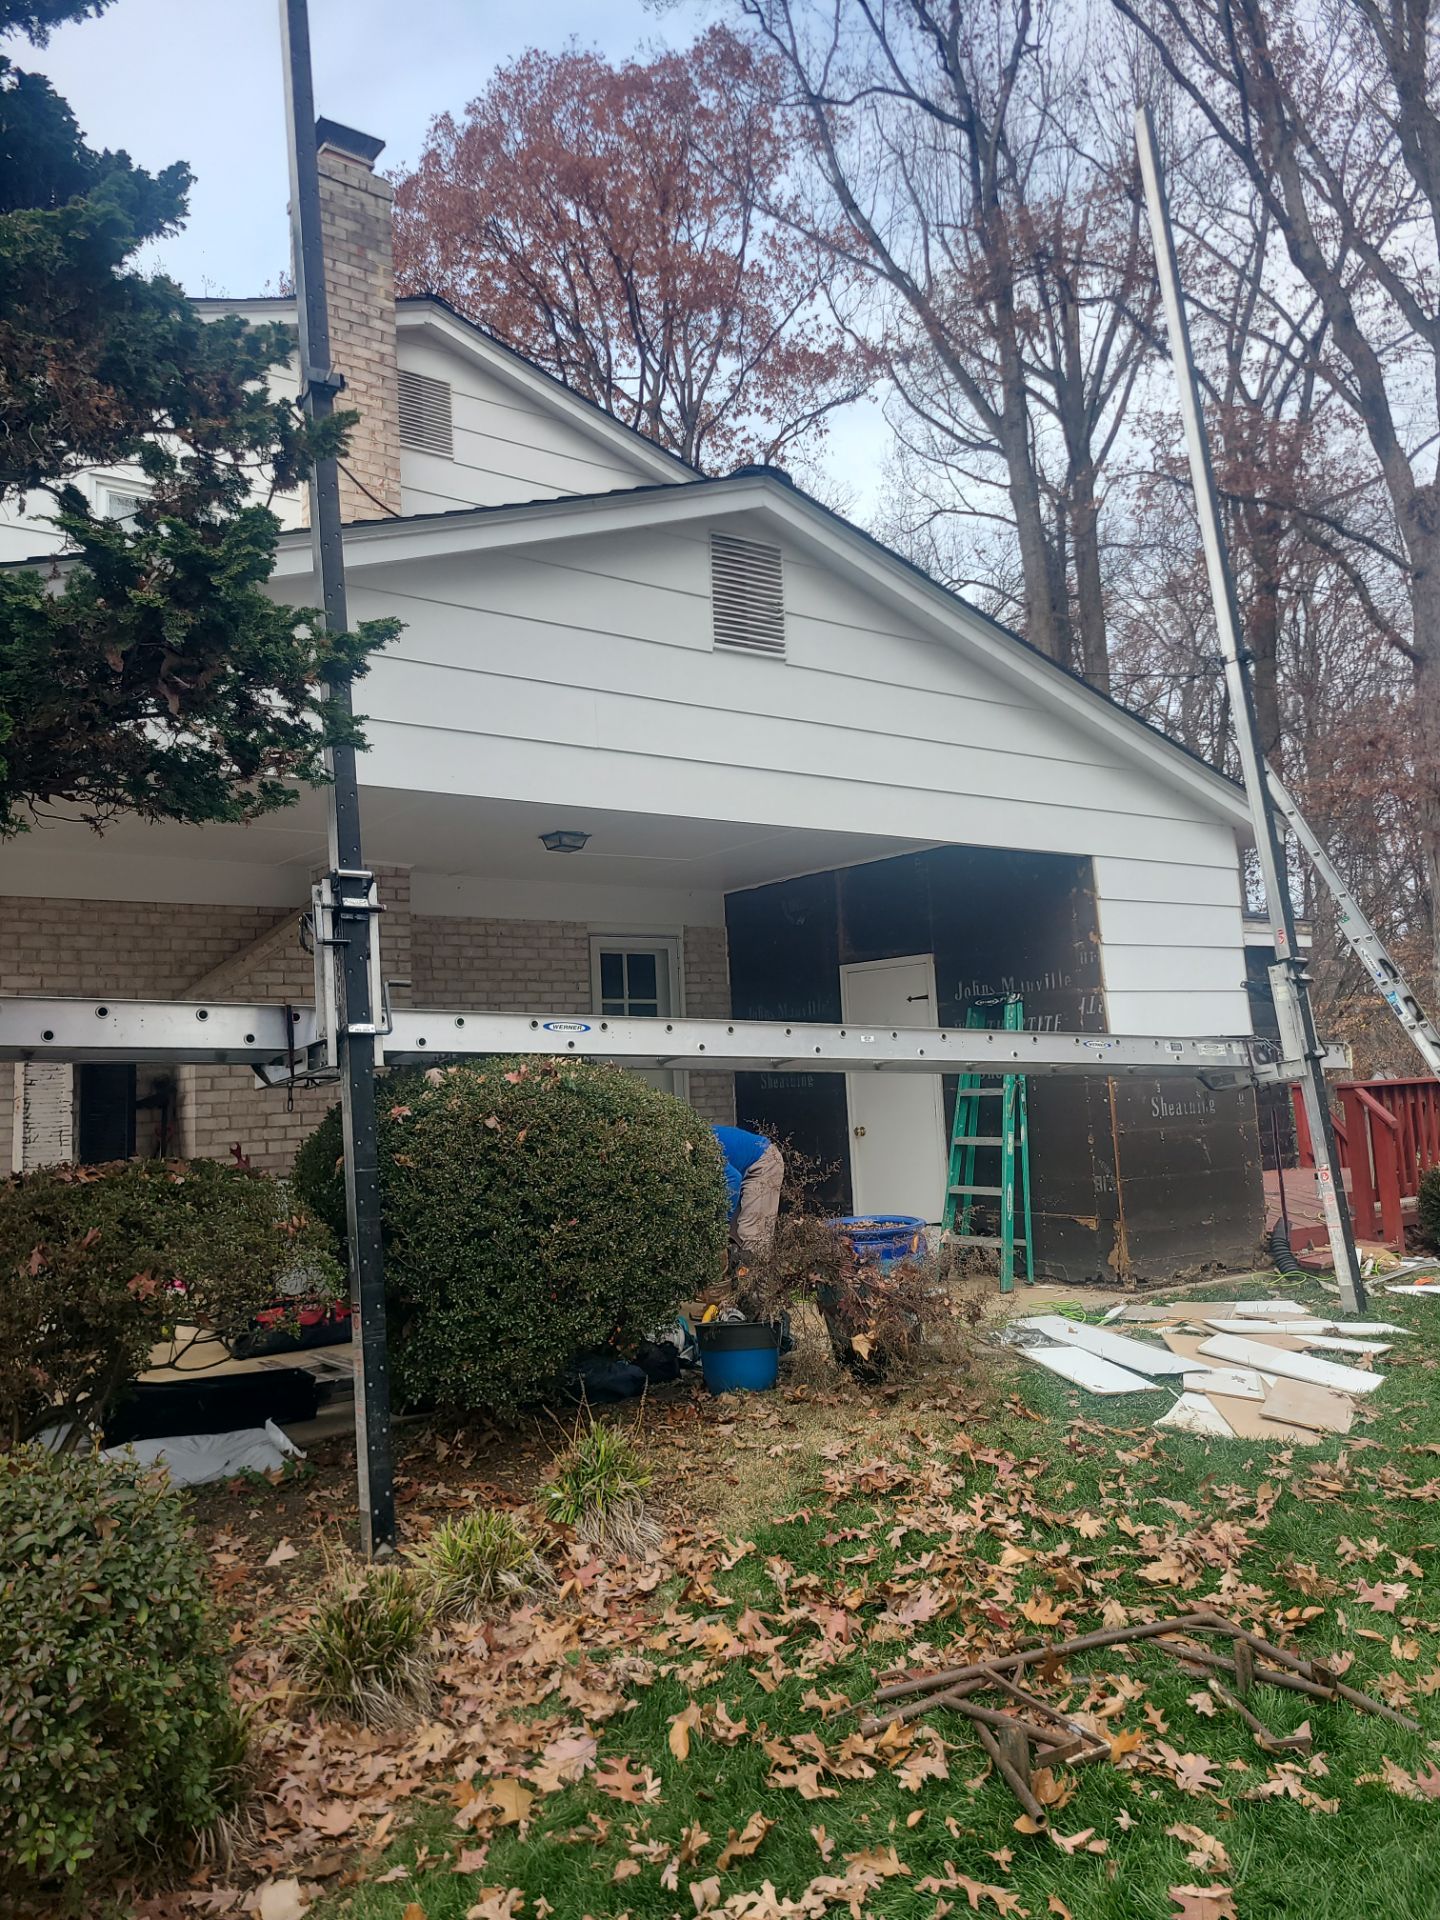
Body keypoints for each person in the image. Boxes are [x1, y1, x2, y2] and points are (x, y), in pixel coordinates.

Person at [713, 1123, 784, 1253]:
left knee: (752, 1237)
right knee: (733, 1238)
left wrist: (720, 1225)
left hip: (763, 1161)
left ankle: (756, 1271)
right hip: (741, 1167)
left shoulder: (703, 1148)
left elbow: (733, 1180)